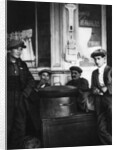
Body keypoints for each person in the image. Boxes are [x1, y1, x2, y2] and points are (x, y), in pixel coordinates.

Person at [10, 69, 52, 149]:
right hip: (31, 110)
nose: (45, 77)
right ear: (40, 76)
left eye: (47, 76)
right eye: (43, 75)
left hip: (41, 109)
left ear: (49, 77)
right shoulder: (34, 84)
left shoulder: (49, 88)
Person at [7, 39, 35, 148]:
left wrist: (25, 94)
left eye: (20, 49)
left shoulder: (22, 64)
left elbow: (31, 80)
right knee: (6, 126)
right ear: (10, 50)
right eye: (16, 49)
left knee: (20, 127)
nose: (19, 51)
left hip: (20, 97)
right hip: (6, 98)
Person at [90, 49, 112, 145]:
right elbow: (93, 86)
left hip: (110, 100)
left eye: (99, 58)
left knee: (112, 125)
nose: (96, 61)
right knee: (100, 129)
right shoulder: (94, 72)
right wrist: (94, 90)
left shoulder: (110, 70)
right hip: (98, 101)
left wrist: (107, 88)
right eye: (95, 59)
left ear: (104, 59)